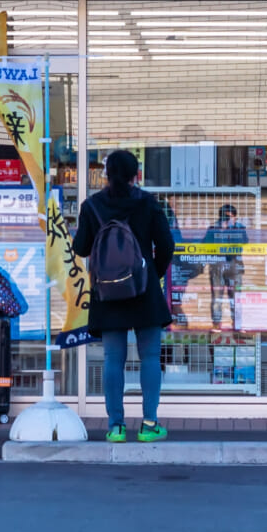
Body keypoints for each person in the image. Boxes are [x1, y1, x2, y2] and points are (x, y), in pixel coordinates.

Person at [72, 149, 178, 442]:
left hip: (108, 292)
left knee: (112, 359)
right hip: (143, 291)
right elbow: (167, 246)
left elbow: (80, 248)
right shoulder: (147, 203)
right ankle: (149, 424)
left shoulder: (92, 206)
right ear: (136, 175)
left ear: (105, 174)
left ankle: (116, 426)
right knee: (150, 358)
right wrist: (151, 276)